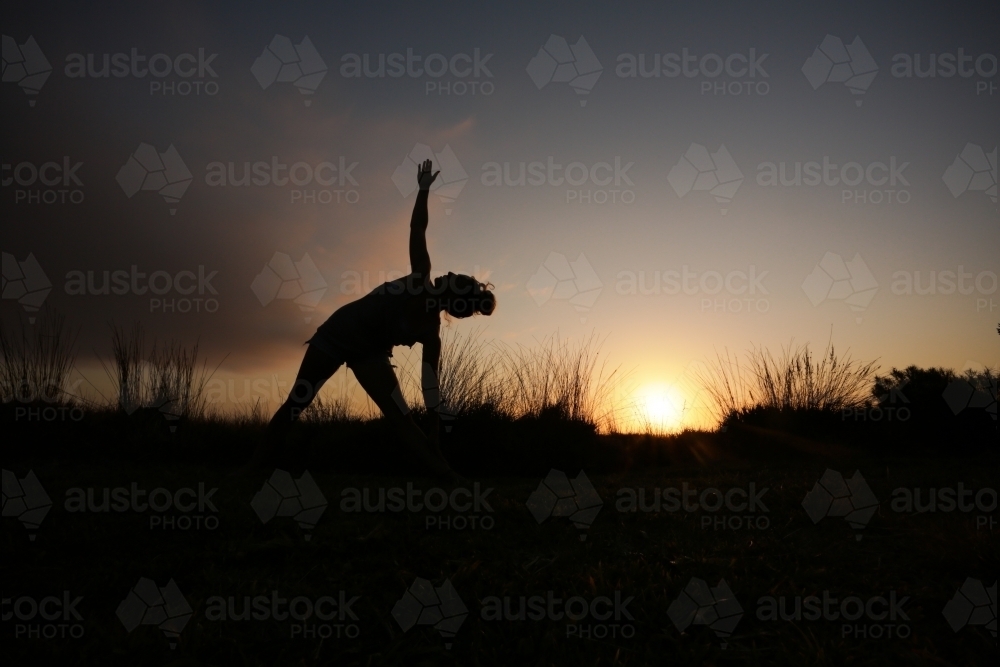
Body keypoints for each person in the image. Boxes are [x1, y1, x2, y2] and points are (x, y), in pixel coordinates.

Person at [253, 159, 496, 481]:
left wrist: (435, 433)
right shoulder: (418, 278)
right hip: (336, 335)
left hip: (370, 354)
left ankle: (448, 477)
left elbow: (430, 386)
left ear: (454, 295)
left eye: (456, 277)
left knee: (401, 418)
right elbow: (417, 229)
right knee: (297, 402)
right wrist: (423, 190)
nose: (449, 272)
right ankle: (254, 467)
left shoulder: (430, 332)